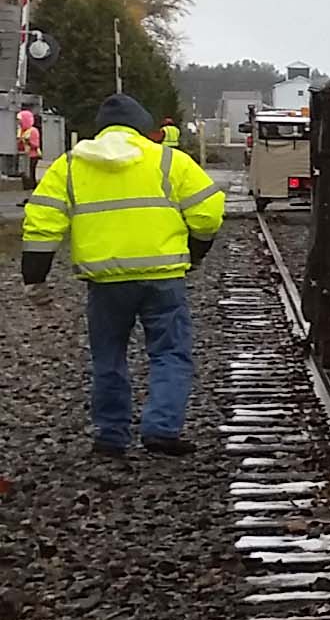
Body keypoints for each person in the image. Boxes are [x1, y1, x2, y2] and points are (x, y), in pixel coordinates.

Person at [21, 93, 227, 457]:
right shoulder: (168, 160)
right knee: (170, 354)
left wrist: (35, 278)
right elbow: (208, 212)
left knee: (109, 357)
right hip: (163, 277)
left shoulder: (70, 165)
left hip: (105, 282)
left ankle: (111, 437)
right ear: (145, 128)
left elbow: (42, 222)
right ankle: (161, 429)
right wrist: (196, 254)